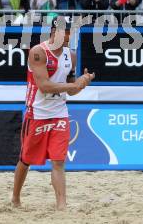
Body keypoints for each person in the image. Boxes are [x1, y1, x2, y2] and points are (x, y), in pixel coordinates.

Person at [12, 16, 95, 210]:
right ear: (53, 32)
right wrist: (73, 84)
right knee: (25, 160)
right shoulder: (38, 52)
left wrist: (82, 83)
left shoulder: (70, 56)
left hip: (59, 113)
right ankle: (15, 197)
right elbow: (44, 85)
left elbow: (71, 90)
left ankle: (61, 205)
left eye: (70, 32)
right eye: (65, 32)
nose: (68, 36)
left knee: (58, 161)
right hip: (37, 113)